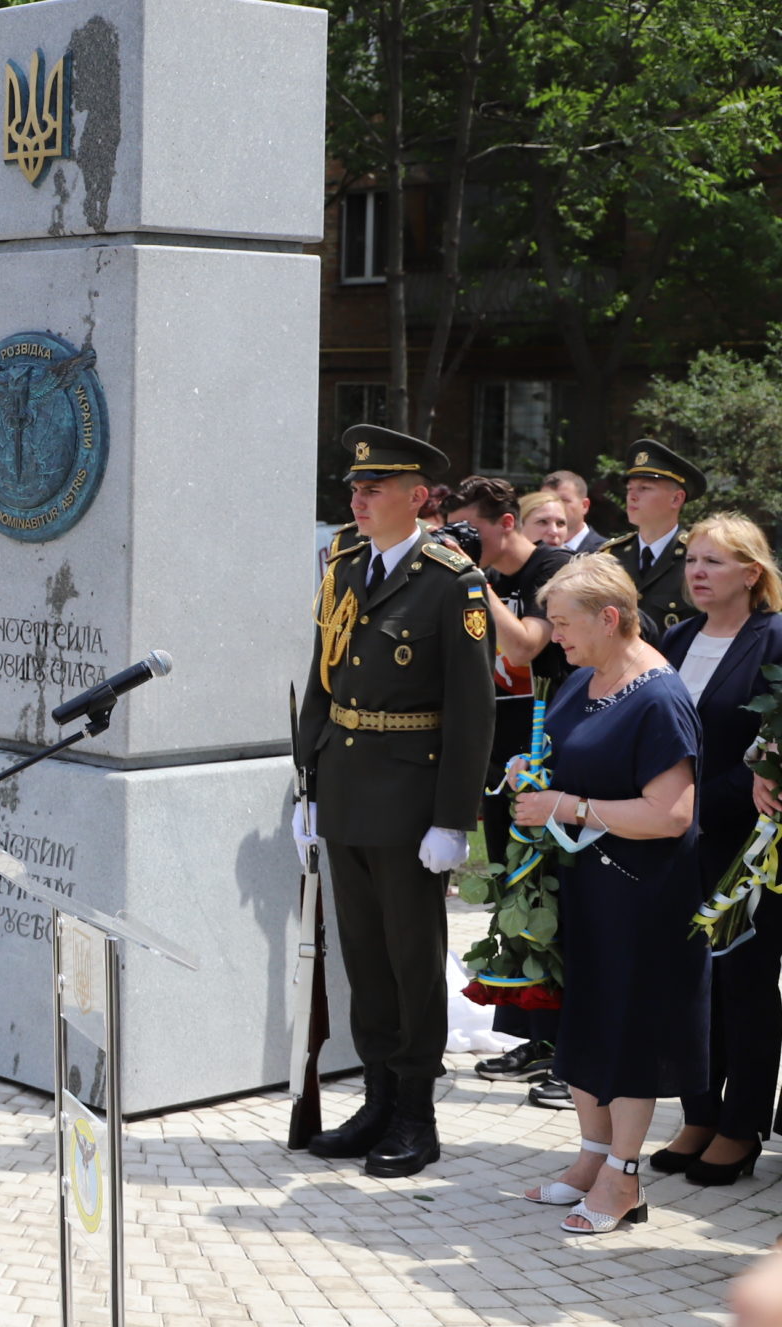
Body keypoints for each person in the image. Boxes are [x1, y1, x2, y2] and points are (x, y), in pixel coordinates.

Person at [292, 425, 494, 1179]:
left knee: (413, 958)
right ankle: (376, 1097)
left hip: (413, 796)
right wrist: (307, 784)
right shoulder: (344, 565)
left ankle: (416, 1112)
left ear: (418, 498)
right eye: (355, 487)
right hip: (345, 784)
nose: (359, 497)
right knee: (365, 957)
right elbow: (321, 678)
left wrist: (453, 818)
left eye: (375, 488)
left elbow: (473, 711)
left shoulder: (454, 580)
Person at [511, 553, 707, 1235]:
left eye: (563, 622)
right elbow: (568, 754)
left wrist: (565, 804)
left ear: (611, 617)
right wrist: (530, 773)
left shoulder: (658, 696)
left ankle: (625, 1177)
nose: (552, 634)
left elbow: (671, 813)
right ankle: (591, 1158)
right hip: (590, 887)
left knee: (628, 1032)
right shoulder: (584, 677)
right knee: (588, 1022)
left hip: (643, 896)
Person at [652, 515, 782, 1187]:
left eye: (714, 562)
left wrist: (700, 803)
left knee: (744, 984)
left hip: (744, 841)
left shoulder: (776, 638)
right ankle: (699, 1112)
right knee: (687, 983)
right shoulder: (678, 635)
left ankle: (741, 1124)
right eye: (692, 559)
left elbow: (770, 742)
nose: (697, 571)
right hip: (676, 840)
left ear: (751, 573)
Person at [443, 475, 578, 1099]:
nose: (466, 543)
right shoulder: (489, 577)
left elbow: (525, 645)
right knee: (515, 900)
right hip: (505, 755)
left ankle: (571, 1054)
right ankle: (533, 1038)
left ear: (505, 523)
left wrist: (472, 578)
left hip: (559, 753)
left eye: (473, 529)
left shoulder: (556, 569)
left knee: (556, 900)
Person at [607, 440, 705, 637]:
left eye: (644, 488)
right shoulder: (610, 557)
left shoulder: (697, 556)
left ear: (676, 499)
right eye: (629, 489)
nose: (632, 496)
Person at [544, 470, 611, 554]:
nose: (553, 507)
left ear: (584, 506)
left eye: (563, 500)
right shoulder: (532, 551)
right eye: (547, 500)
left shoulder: (606, 553)